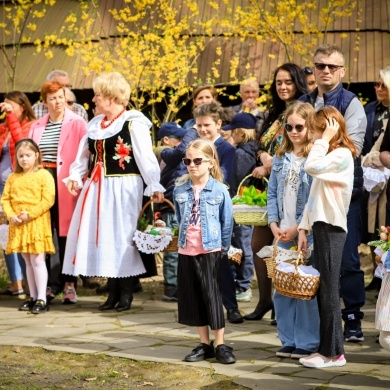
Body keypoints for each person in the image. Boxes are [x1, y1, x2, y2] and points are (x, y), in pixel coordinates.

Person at [62, 72, 165, 312]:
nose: (94, 100)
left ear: (111, 97)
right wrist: (76, 176)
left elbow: (145, 157)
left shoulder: (132, 121)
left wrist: (154, 184)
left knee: (123, 237)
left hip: (124, 187)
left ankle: (126, 292)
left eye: (97, 95)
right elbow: (82, 157)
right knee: (105, 237)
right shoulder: (95, 124)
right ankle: (113, 292)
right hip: (97, 188)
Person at [299, 44, 367, 342]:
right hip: (309, 191)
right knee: (314, 263)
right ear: (312, 69)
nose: (325, 70)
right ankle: (321, 326)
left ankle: (352, 318)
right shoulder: (303, 102)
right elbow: (287, 140)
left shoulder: (351, 103)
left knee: (348, 261)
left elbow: (351, 147)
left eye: (331, 67)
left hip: (341, 195)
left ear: (342, 71)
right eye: (320, 65)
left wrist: (317, 145)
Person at [245, 63, 308, 321]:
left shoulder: (302, 111)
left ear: (297, 84)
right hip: (266, 185)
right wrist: (263, 156)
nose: (283, 87)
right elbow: (259, 144)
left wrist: (274, 163)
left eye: (288, 82)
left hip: (291, 188)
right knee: (258, 244)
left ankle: (284, 302)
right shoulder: (273, 112)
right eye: (279, 82)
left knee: (285, 247)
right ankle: (264, 301)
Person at [298, 106, 357, 368]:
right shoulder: (331, 154)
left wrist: (323, 140)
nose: (312, 137)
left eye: (316, 131)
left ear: (331, 129)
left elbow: (310, 166)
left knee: (331, 292)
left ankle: (334, 353)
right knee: (324, 291)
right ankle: (326, 349)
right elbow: (314, 195)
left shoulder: (342, 155)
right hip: (321, 226)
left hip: (333, 228)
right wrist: (303, 227)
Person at [173, 138, 235, 364]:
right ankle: (204, 343)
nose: (192, 165)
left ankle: (220, 344)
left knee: (212, 296)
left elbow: (227, 223)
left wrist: (223, 250)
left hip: (211, 250)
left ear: (210, 162)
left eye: (198, 160)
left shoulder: (220, 190)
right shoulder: (180, 188)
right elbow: (180, 219)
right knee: (195, 296)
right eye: (187, 160)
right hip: (187, 250)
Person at [267, 101, 319, 359]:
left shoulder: (314, 158)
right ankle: (287, 338)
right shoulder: (280, 156)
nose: (294, 131)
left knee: (304, 288)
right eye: (289, 127)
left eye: (300, 126)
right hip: (282, 233)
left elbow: (312, 199)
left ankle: (307, 341)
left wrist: (298, 226)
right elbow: (272, 192)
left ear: (310, 127)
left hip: (303, 233)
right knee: (282, 288)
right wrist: (274, 224)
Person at [29, 81, 87, 304]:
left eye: (61, 97)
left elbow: (85, 155)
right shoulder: (36, 126)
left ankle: (70, 283)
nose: (58, 101)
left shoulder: (77, 122)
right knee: (46, 232)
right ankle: (51, 285)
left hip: (67, 182)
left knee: (67, 233)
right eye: (52, 98)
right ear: (45, 102)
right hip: (42, 181)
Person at [1, 139, 55, 314]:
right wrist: (11, 215)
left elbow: (48, 200)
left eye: (28, 155)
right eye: (21, 156)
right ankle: (32, 296)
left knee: (38, 260)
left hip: (36, 222)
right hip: (19, 224)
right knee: (27, 261)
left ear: (36, 155)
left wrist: (30, 214)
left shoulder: (44, 175)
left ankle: (42, 297)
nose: (24, 159)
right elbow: (6, 199)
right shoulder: (13, 177)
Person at [0, 92, 36, 297]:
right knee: (5, 236)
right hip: (1, 190)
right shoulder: (3, 127)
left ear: (23, 106)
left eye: (11, 106)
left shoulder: (31, 125)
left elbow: (23, 145)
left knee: (20, 235)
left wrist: (12, 118)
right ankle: (16, 283)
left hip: (19, 190)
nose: (7, 109)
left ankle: (29, 283)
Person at [222, 113, 258, 303]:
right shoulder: (252, 150)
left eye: (233, 132)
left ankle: (244, 286)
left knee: (243, 243)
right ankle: (242, 283)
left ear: (240, 133)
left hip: (240, 205)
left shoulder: (240, 154)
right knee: (244, 242)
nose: (230, 135)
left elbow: (235, 180)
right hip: (249, 206)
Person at [362, 66, 390, 291]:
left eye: (383, 85)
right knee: (372, 227)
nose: (378, 89)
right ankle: (376, 273)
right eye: (376, 84)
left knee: (384, 223)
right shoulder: (370, 109)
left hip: (387, 173)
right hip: (371, 174)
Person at [154, 122, 186, 301]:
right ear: (166, 139)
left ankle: (177, 283)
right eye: (179, 139)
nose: (182, 142)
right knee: (172, 246)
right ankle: (171, 286)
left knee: (179, 246)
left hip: (177, 204)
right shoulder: (163, 152)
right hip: (170, 205)